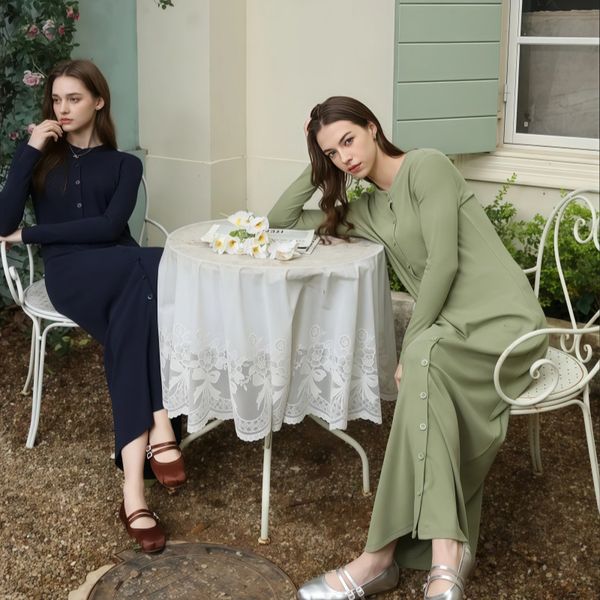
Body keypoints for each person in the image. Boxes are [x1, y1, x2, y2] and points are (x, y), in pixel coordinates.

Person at [268, 96, 548, 600]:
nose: (345, 157)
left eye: (349, 140)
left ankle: (377, 560)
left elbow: (443, 263)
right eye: (333, 153)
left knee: (420, 359)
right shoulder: (367, 210)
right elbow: (281, 218)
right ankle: (445, 557)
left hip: (505, 325)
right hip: (450, 333)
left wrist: (413, 339)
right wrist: (316, 162)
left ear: (373, 128)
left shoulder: (427, 167)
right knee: (425, 368)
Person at [0, 59, 185, 554]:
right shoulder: (41, 160)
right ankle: (160, 420)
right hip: (73, 275)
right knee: (150, 265)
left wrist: (32, 234)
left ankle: (133, 492)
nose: (62, 108)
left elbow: (108, 228)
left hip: (120, 269)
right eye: (56, 99)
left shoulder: (126, 165)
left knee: (138, 290)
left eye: (74, 98)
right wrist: (30, 149)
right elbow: (2, 222)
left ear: (99, 101)